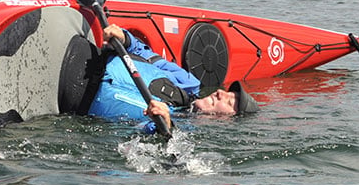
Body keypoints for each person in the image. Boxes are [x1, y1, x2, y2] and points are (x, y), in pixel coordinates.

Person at [88, 24, 259, 134]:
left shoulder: (183, 132)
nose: (221, 93)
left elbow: (140, 137)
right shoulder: (188, 82)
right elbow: (143, 52)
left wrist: (165, 126)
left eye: (230, 103)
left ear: (226, 121)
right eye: (229, 93)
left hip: (71, 100)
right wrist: (125, 38)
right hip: (87, 58)